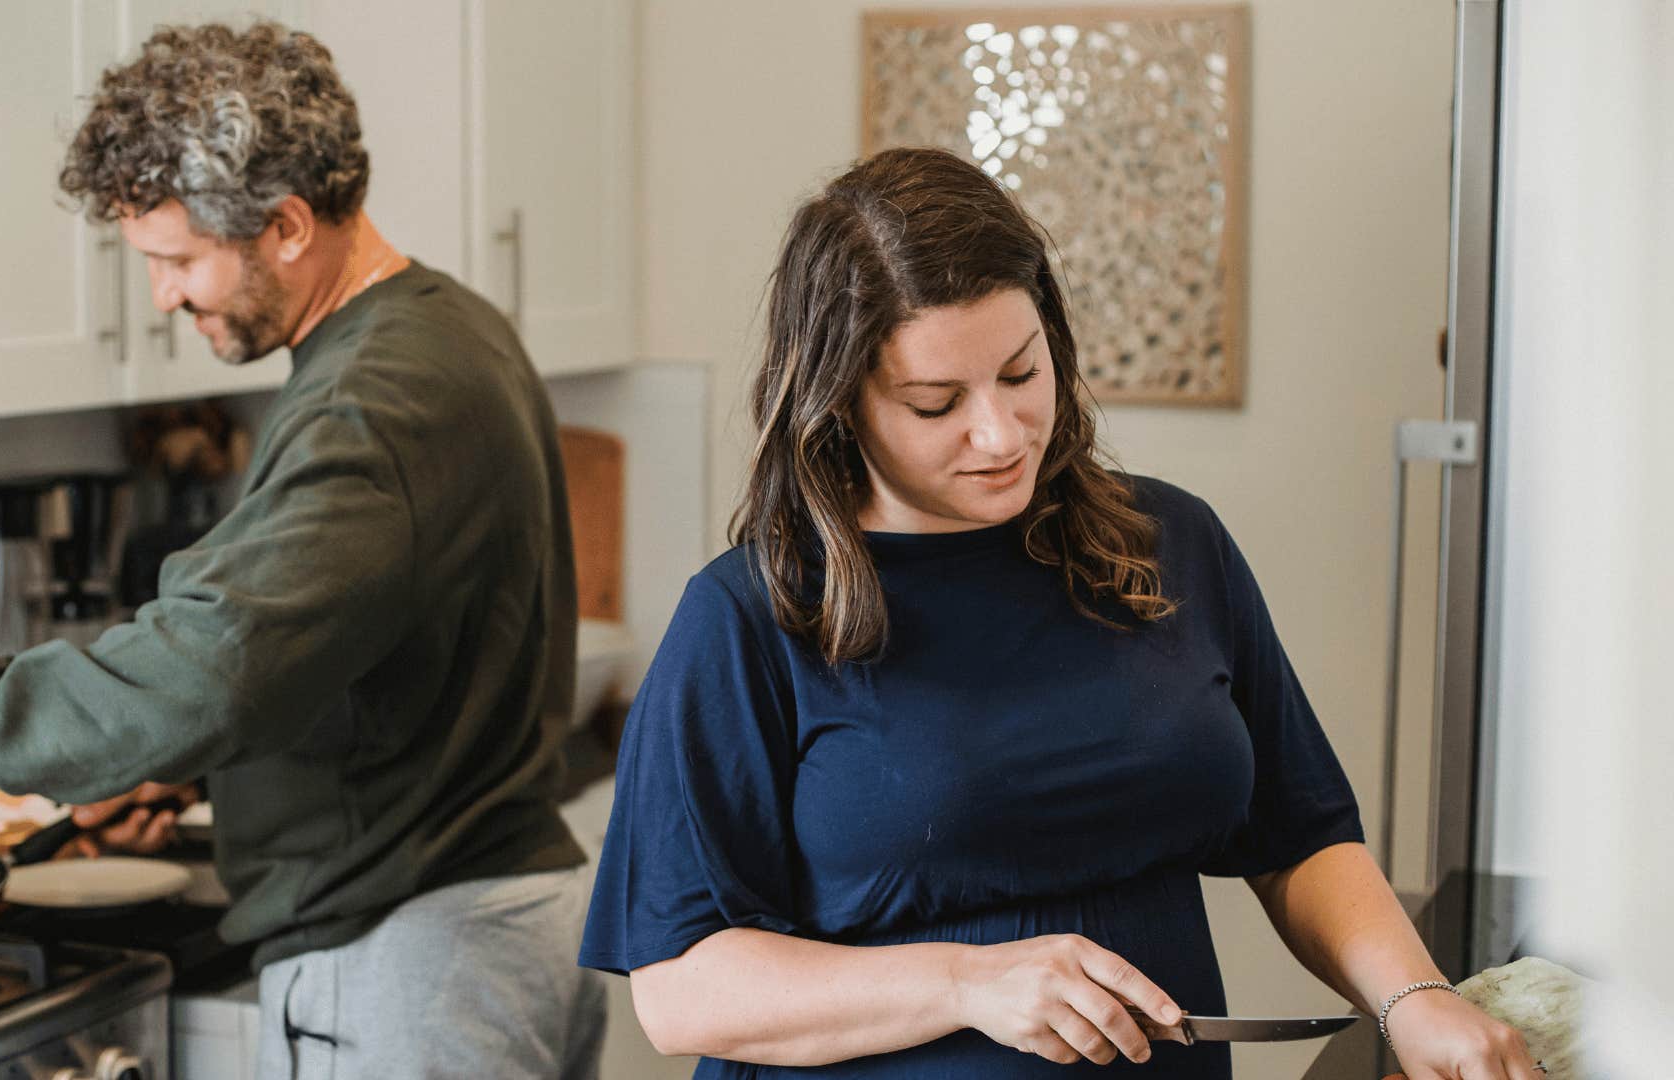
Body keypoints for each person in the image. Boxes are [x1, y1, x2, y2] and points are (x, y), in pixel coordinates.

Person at [579, 147, 1539, 1078]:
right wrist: (966, 982)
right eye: (934, 402)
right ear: (840, 406)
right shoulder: (752, 617)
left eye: (1020, 373)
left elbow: (1303, 839)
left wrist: (1414, 999)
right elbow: (681, 989)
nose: (999, 433)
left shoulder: (1168, 543)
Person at [0, 21, 604, 1079]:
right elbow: (348, 651)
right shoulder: (446, 330)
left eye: (178, 259)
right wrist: (192, 778)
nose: (163, 297)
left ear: (287, 226)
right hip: (489, 928)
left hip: (415, 959)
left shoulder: (373, 400)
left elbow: (214, 661)